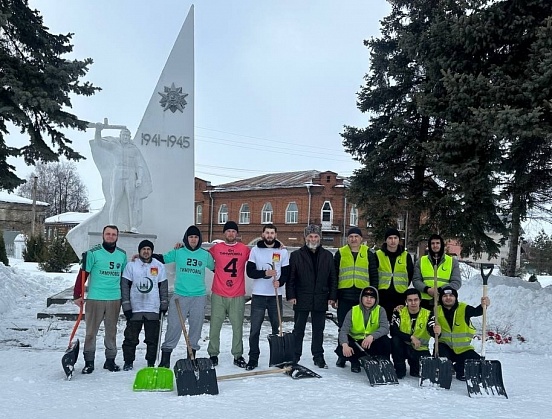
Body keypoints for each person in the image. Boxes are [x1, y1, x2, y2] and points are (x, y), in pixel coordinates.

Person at [158, 226, 215, 368]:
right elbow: (162, 259)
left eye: (196, 237)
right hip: (180, 296)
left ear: (199, 239)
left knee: (196, 326)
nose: (193, 240)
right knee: (174, 326)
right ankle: (165, 357)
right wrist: (143, 256)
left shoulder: (205, 255)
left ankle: (191, 356)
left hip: (198, 296)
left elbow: (217, 268)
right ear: (186, 238)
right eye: (191, 237)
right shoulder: (178, 252)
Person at [73, 225, 127, 374]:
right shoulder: (93, 253)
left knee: (111, 332)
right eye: (108, 234)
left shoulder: (122, 255)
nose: (111, 236)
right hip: (95, 298)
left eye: (114, 234)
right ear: (103, 235)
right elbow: (83, 274)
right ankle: (89, 362)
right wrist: (77, 294)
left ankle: (110, 360)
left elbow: (125, 277)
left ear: (117, 237)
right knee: (91, 332)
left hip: (114, 298)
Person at [286, 224, 337, 368]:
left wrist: (332, 296)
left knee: (318, 330)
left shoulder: (328, 256)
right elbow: (291, 278)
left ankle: (318, 356)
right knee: (298, 329)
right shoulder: (296, 255)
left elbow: (333, 278)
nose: (313, 239)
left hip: (321, 297)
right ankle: (295, 355)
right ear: (305, 238)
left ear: (320, 238)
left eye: (316, 236)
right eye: (310, 236)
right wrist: (291, 295)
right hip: (302, 296)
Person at [90, 123, 152, 232]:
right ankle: (112, 225)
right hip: (118, 173)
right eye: (124, 135)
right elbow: (99, 143)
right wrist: (98, 130)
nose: (126, 138)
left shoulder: (134, 149)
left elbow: (139, 165)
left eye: (127, 136)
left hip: (130, 174)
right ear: (120, 136)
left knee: (132, 202)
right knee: (115, 200)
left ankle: (133, 226)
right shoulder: (114, 146)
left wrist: (139, 178)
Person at [245, 224, 290, 370]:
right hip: (258, 295)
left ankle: (277, 357)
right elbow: (250, 272)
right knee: (255, 329)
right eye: (267, 233)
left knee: (277, 328)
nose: (269, 235)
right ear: (263, 234)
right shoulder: (255, 250)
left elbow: (286, 272)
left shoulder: (282, 251)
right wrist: (264, 273)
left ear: (276, 235)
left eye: (272, 233)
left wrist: (280, 282)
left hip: (275, 296)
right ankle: (253, 358)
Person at [333, 226, 378, 368]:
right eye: (351, 236)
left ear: (361, 239)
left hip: (363, 298)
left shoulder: (368, 253)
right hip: (344, 296)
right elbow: (334, 276)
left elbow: (374, 275)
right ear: (347, 239)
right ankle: (342, 356)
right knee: (343, 327)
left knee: (359, 329)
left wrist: (373, 296)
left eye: (356, 236)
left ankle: (356, 358)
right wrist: (334, 296)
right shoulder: (340, 253)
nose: (353, 239)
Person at [208, 221, 251, 368]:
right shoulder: (216, 248)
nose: (231, 234)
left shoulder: (244, 249)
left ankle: (238, 355)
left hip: (237, 294)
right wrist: (182, 247)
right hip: (218, 293)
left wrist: (278, 247)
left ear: (237, 233)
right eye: (228, 231)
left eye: (233, 231)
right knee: (215, 326)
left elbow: (259, 256)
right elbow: (200, 255)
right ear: (224, 233)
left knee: (237, 327)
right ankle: (213, 354)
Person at [120, 240, 168, 371]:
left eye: (148, 249)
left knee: (152, 339)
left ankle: (151, 362)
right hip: (135, 308)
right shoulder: (131, 266)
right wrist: (126, 305)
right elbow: (125, 286)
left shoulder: (159, 266)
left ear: (152, 251)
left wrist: (164, 304)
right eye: (143, 249)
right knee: (130, 338)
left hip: (152, 307)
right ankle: (128, 361)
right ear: (139, 251)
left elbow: (163, 287)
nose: (146, 251)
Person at [432, 286, 490, 380]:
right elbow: (428, 322)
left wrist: (484, 305)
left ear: (455, 297)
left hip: (463, 349)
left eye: (451, 295)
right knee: (441, 355)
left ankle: (458, 369)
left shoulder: (464, 308)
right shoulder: (436, 310)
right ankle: (444, 368)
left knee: (477, 362)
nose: (448, 298)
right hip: (445, 347)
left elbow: (477, 311)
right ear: (441, 298)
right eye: (445, 296)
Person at [336, 286, 391, 373]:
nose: (368, 300)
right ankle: (355, 362)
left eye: (372, 297)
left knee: (386, 341)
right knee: (341, 348)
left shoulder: (380, 310)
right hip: (357, 343)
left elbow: (385, 328)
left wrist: (372, 336)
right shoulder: (353, 311)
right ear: (361, 298)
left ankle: (384, 363)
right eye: (366, 296)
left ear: (376, 299)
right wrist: (345, 345)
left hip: (371, 343)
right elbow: (343, 331)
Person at [390, 288, 432, 378]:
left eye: (416, 300)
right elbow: (393, 331)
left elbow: (432, 330)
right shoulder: (399, 312)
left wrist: (436, 331)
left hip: (420, 348)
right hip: (403, 347)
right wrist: (411, 337)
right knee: (395, 340)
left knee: (417, 373)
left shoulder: (428, 314)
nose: (413, 303)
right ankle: (400, 369)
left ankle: (414, 365)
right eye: (410, 300)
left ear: (420, 300)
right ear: (406, 301)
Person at [412, 234, 461, 311]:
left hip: (446, 301)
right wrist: (427, 289)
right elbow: (416, 280)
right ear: (429, 246)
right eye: (432, 243)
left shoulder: (452, 262)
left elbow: (456, 282)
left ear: (442, 245)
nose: (435, 245)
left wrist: (440, 290)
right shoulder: (421, 261)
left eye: (437, 243)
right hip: (425, 302)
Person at [376, 227, 414, 322]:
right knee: (382, 322)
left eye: (395, 238)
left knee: (398, 322)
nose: (393, 241)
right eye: (390, 238)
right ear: (386, 240)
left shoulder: (406, 255)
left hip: (400, 295)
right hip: (382, 295)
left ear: (399, 240)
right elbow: (373, 273)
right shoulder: (378, 255)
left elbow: (410, 274)